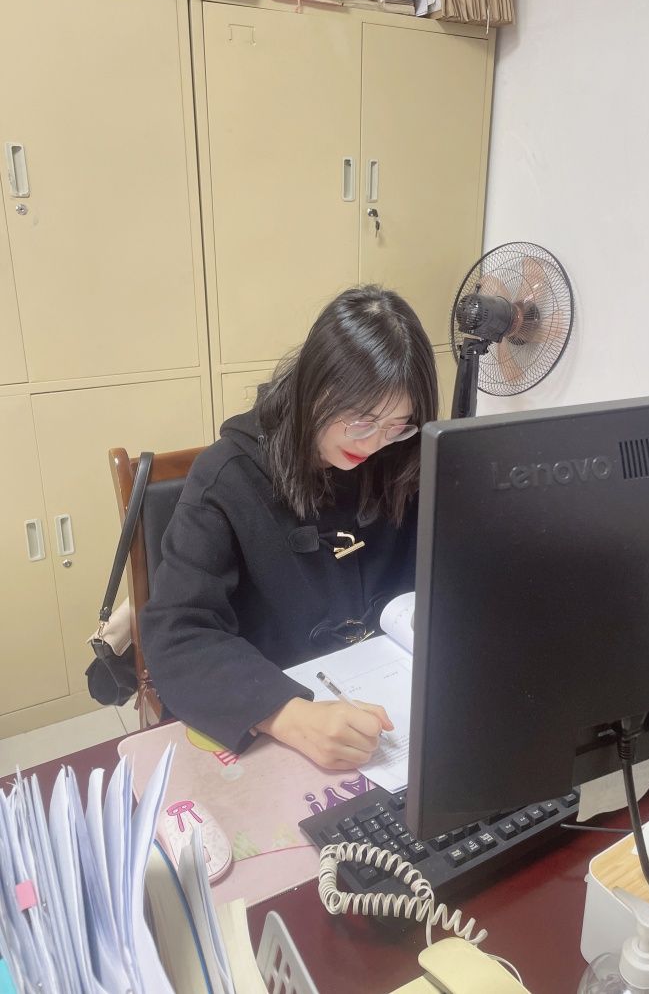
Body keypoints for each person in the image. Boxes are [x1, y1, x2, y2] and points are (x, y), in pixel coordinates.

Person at [140, 286, 438, 771]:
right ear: (313, 387)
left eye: (396, 425)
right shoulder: (228, 476)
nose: (372, 444)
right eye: (361, 421)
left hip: (387, 704)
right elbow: (178, 634)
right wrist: (288, 716)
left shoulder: (400, 456)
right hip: (278, 712)